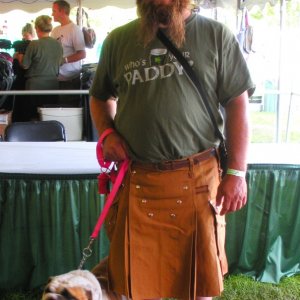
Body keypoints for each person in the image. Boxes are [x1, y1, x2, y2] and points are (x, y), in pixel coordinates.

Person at [90, 0, 255, 299]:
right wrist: (107, 133)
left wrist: (237, 171)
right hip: (138, 181)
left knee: (199, 284)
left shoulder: (215, 34)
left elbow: (237, 103)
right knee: (133, 285)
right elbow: (99, 97)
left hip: (199, 179)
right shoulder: (118, 39)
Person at [16, 15, 63, 120]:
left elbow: (25, 65)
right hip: (53, 85)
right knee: (49, 117)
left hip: (35, 86)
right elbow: (60, 62)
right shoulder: (58, 44)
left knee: (33, 116)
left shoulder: (34, 44)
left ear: (37, 28)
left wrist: (19, 57)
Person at [51, 0, 86, 106]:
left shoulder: (74, 29)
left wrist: (64, 60)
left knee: (67, 109)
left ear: (62, 11)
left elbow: (82, 54)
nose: (52, 14)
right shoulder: (55, 30)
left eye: (54, 11)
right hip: (56, 78)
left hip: (70, 79)